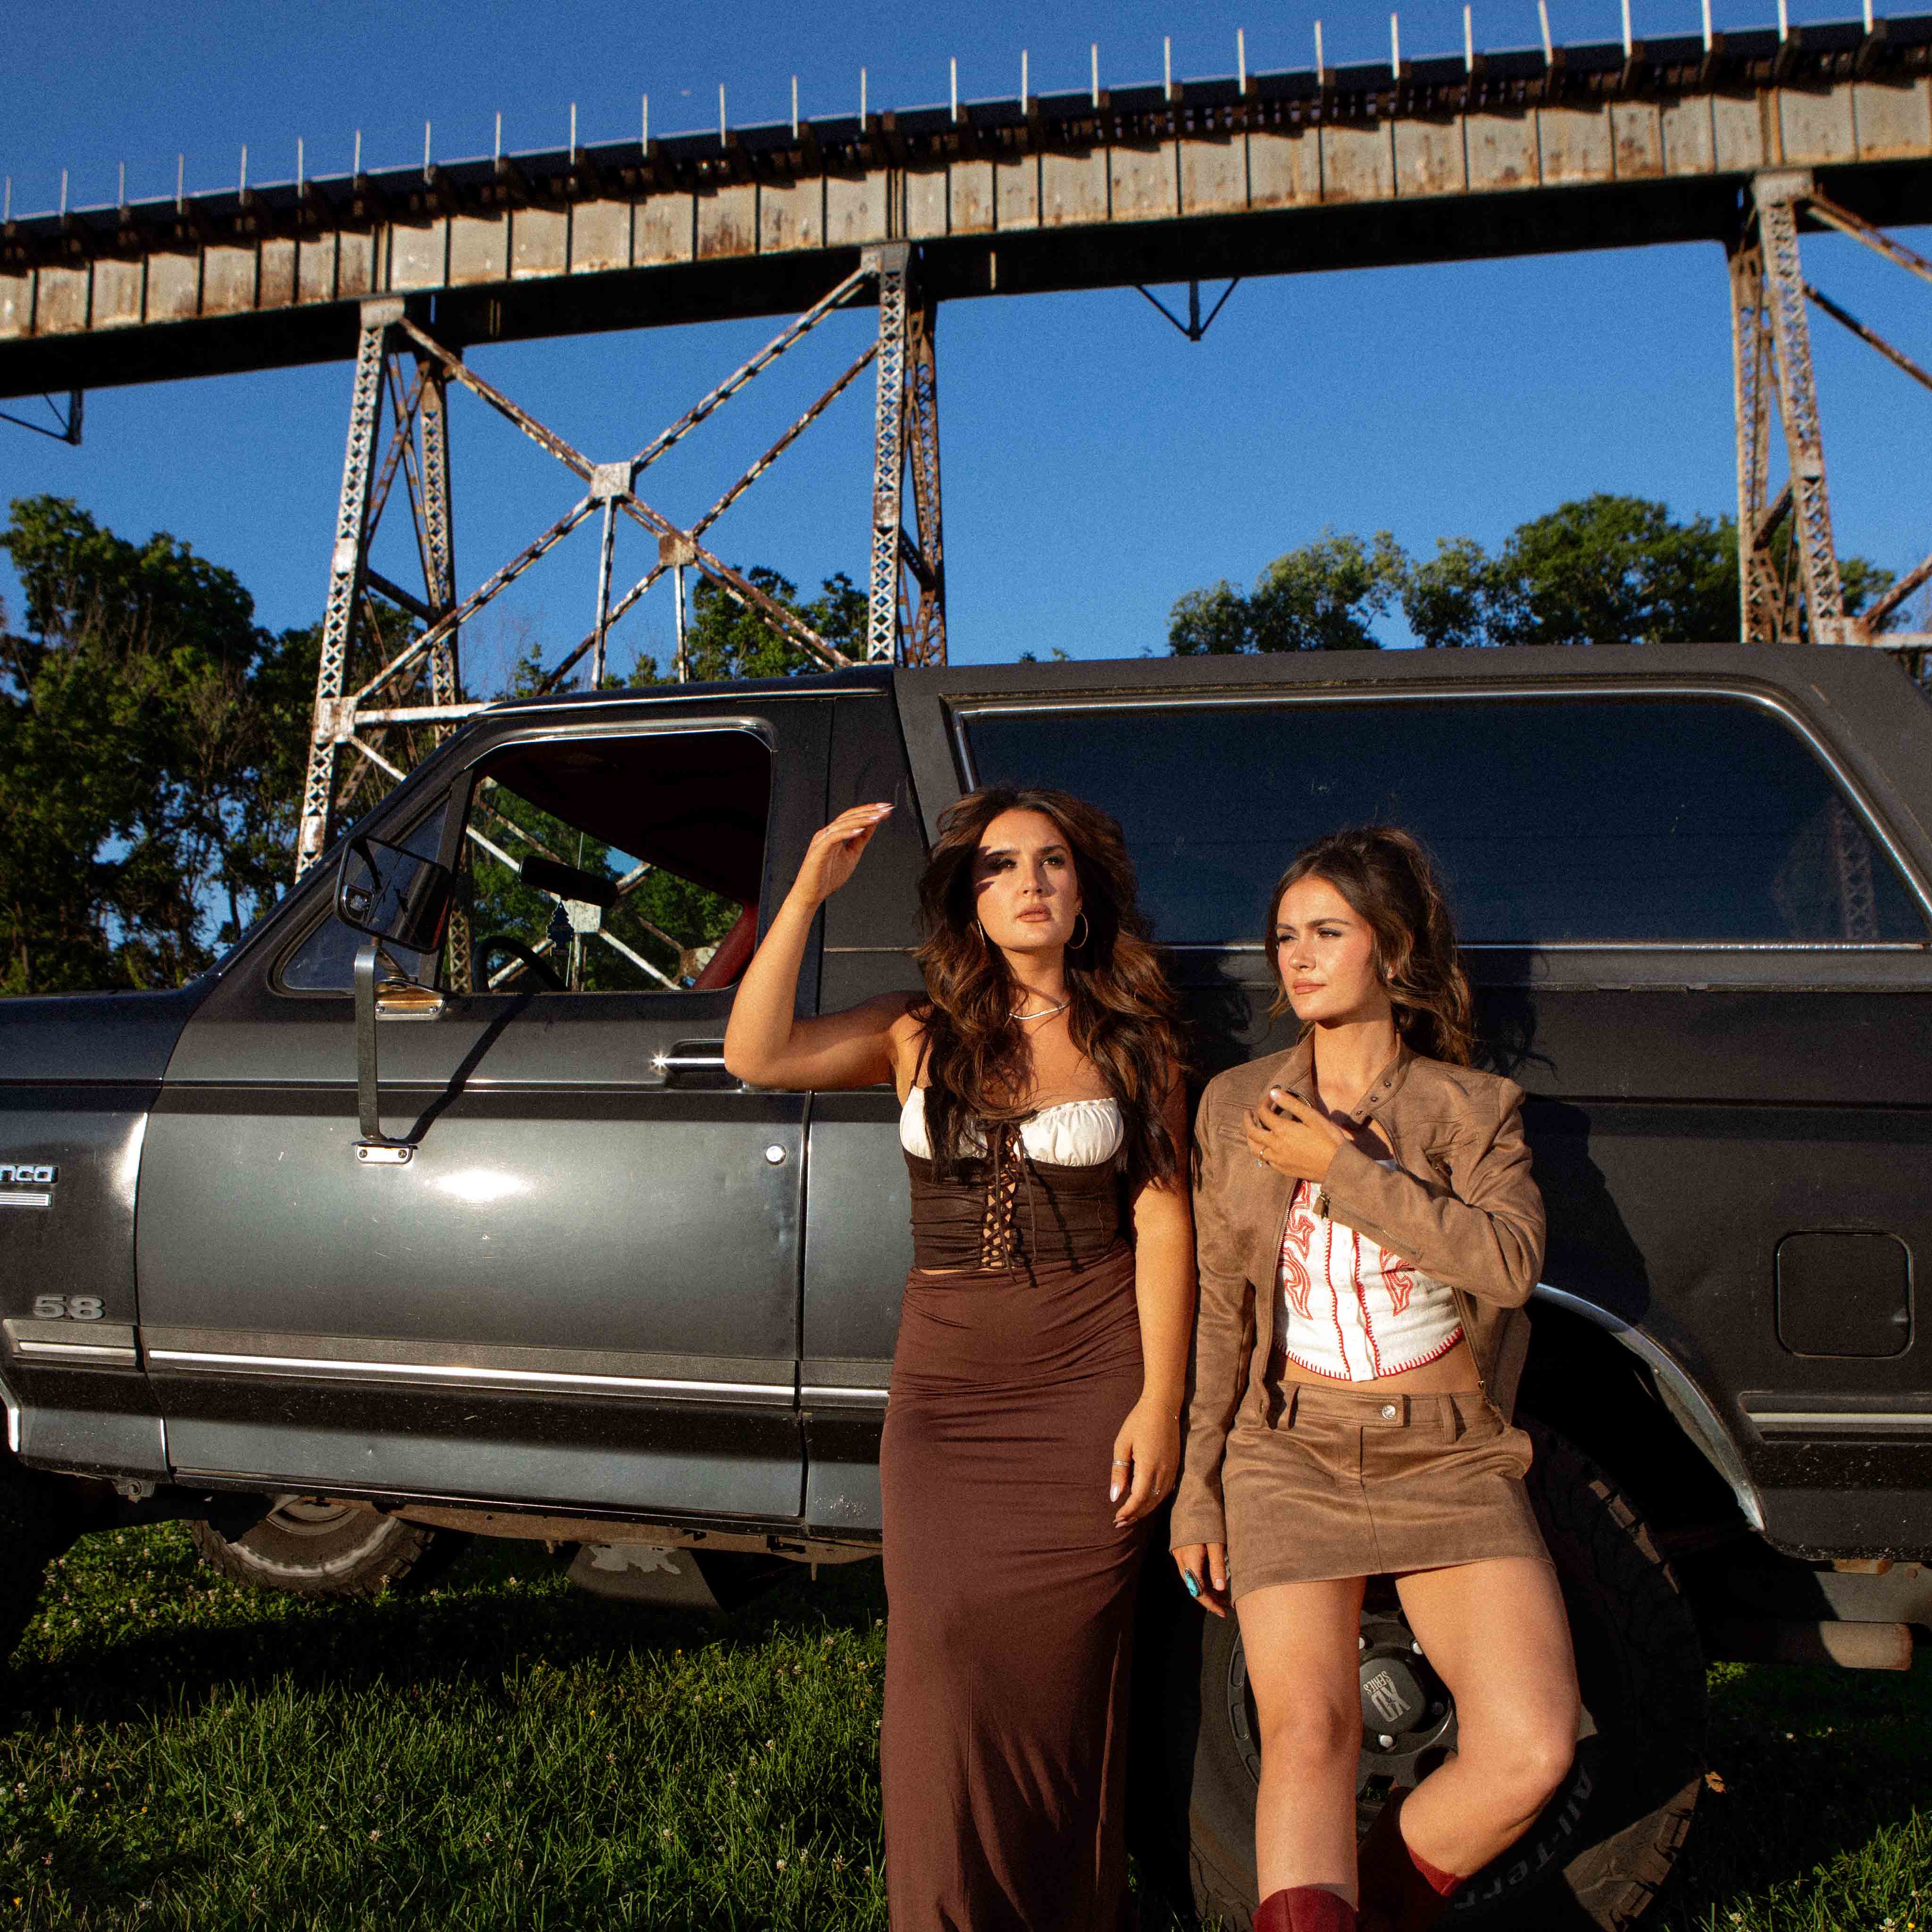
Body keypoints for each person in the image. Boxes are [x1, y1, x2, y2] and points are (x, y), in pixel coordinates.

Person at [723, 784, 1194, 1932]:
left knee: (1061, 1683)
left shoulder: (1136, 1037)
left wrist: (1163, 1404)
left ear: (1082, 894)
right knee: (937, 1670)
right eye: (997, 866)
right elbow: (756, 1051)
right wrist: (803, 895)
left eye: (1049, 863)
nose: (1026, 882)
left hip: (1090, 1381)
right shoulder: (911, 1029)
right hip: (943, 1396)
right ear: (968, 902)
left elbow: (1166, 1221)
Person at [1169, 826, 1578, 1932]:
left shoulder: (1468, 1106)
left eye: (1327, 932)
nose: (1296, 957)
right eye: (1284, 936)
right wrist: (1198, 1483)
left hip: (1445, 1451)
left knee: (1531, 1745)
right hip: (1290, 1444)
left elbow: (1506, 1261)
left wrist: (1345, 1169)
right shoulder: (1233, 1104)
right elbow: (1222, 1306)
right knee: (1308, 1732)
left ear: (1390, 951)